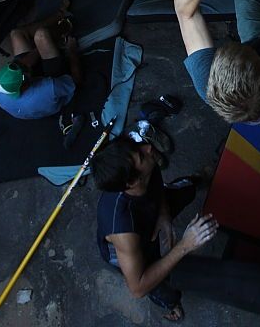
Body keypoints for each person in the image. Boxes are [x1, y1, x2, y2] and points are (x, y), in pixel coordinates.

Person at [91, 135, 218, 322]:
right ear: (132, 183)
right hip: (135, 247)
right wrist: (185, 245)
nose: (148, 147)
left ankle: (199, 179)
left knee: (183, 190)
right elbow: (137, 288)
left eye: (139, 147)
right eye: (141, 156)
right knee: (159, 284)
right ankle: (172, 305)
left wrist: (164, 214)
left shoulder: (146, 167)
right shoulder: (123, 229)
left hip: (153, 208)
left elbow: (157, 186)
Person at [0, 0, 82, 120]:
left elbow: (23, 65)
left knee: (16, 34)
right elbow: (76, 80)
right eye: (25, 68)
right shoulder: (47, 89)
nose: (25, 64)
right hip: (51, 86)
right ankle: (67, 26)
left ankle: (59, 15)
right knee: (42, 35)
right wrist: (72, 51)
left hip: (32, 84)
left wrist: (39, 48)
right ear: (24, 85)